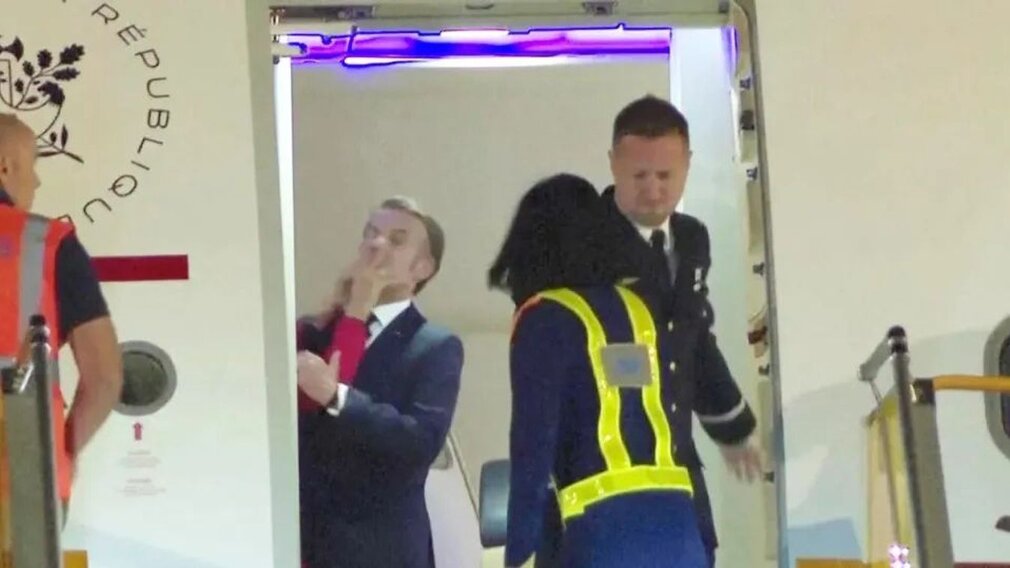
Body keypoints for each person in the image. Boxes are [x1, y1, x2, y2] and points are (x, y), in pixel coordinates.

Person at [488, 173, 709, 568]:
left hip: (599, 535)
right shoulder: (638, 309)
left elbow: (532, 449)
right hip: (677, 528)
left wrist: (518, 555)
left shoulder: (543, 317)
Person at [602, 95, 762, 566]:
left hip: (675, 454)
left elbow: (692, 336)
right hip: (606, 460)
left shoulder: (692, 238)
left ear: (687, 165)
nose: (653, 190)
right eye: (639, 176)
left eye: (665, 175)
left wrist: (732, 427)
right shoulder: (581, 241)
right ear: (613, 165)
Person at [295, 196, 463, 568]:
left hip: (381, 551)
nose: (376, 244)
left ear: (423, 268)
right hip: (307, 545)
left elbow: (420, 442)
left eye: (396, 240)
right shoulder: (314, 332)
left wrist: (338, 398)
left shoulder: (434, 345)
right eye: (370, 233)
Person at [0, 113, 124, 512]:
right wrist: (63, 452)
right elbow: (104, 378)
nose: (36, 181)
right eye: (33, 163)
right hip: (24, 484)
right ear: (6, 167)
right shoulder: (48, 244)